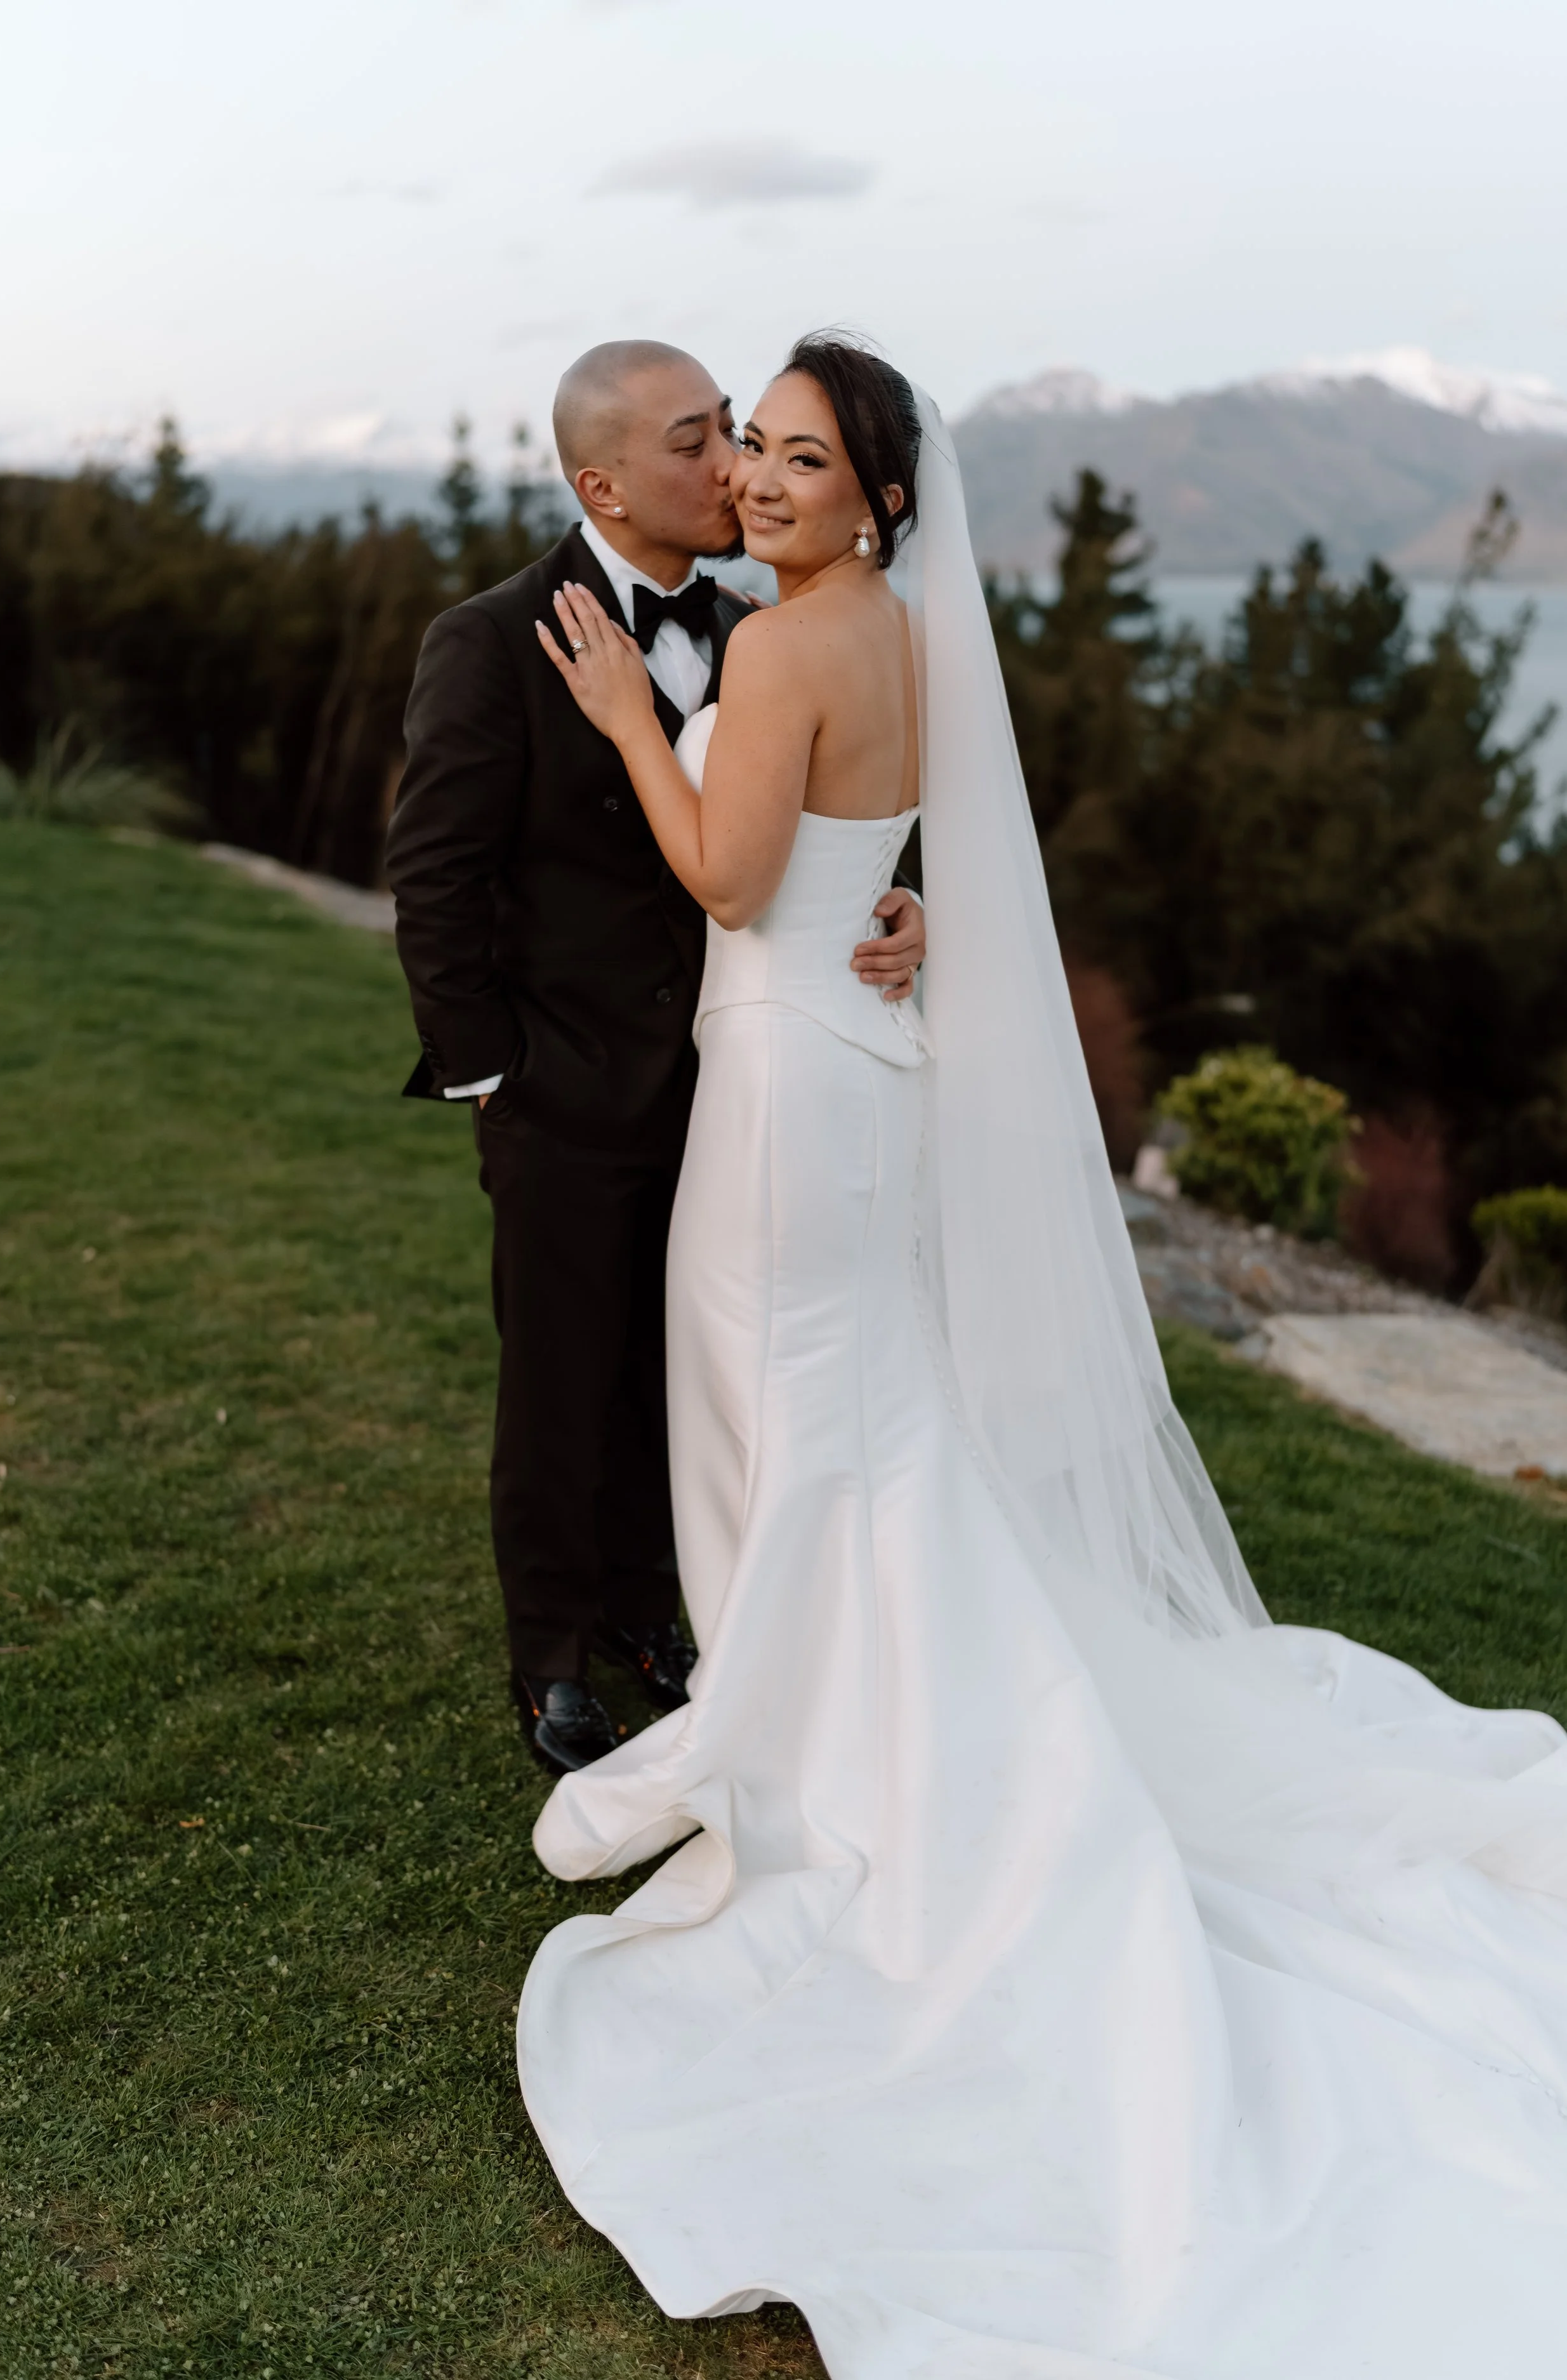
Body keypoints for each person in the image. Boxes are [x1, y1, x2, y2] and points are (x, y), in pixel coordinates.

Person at [516, 334, 1567, 2378]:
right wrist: (888, 909)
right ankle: (851, 1719)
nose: (761, 480)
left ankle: (829, 1757)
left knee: (791, 1420)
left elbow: (730, 872)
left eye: (802, 461)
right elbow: (886, 855)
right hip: (855, 1065)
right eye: (754, 448)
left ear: (881, 498)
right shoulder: (901, 632)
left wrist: (635, 717)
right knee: (852, 1425)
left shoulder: (789, 640)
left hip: (785, 1088)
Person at [385, 341, 927, 1777]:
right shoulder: (490, 639)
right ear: (604, 485)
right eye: (699, 443)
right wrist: (493, 1074)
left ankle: (647, 1614)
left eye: (738, 433)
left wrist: (902, 901)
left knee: (672, 1373)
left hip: (738, 1085)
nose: (734, 469)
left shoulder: (762, 624)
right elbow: (433, 875)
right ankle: (552, 1657)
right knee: (559, 1384)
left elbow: (829, 813)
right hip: (562, 1094)